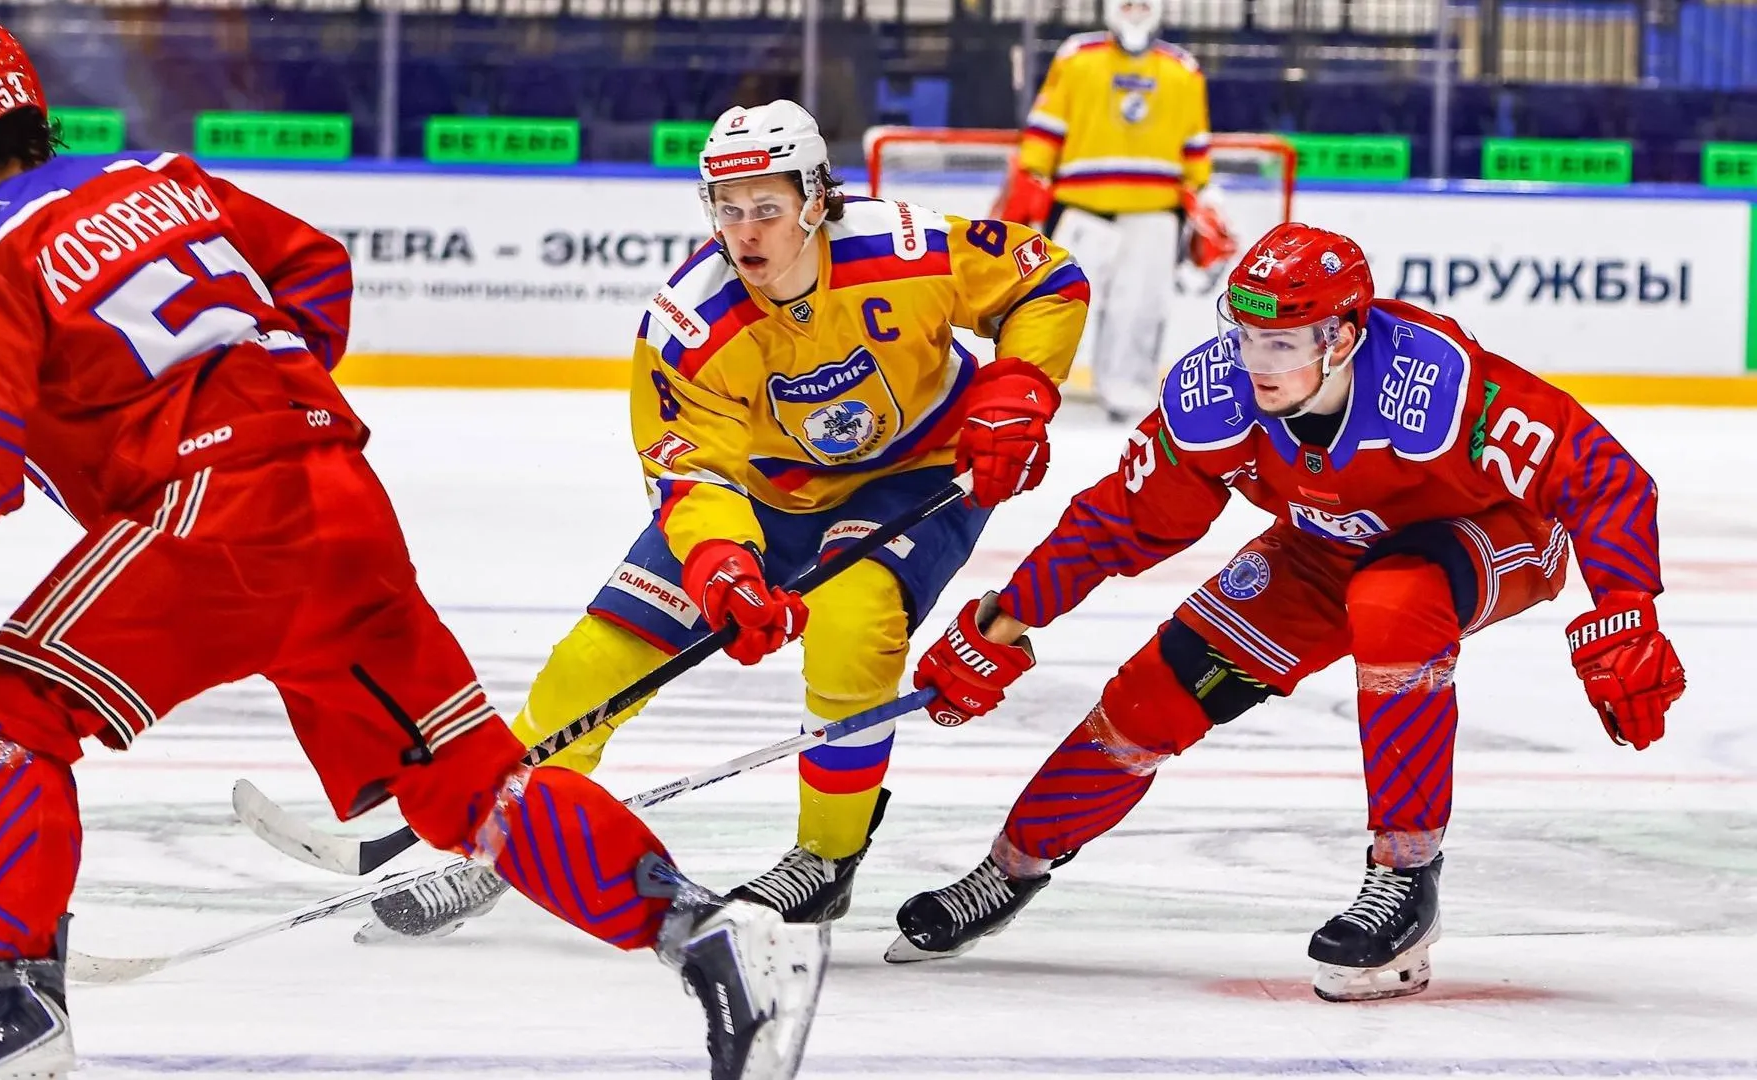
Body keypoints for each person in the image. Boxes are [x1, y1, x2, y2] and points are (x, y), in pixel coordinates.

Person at [0, 19, 825, 1080]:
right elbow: (314, 265)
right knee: (468, 783)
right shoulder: (162, 180)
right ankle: (710, 936)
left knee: (12, 713)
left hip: (210, 514)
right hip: (339, 492)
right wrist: (273, 405)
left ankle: (14, 1006)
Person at [891, 222, 1685, 1001]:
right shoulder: (1219, 396)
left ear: (1342, 338)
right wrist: (1006, 622)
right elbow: (1118, 520)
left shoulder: (1437, 384)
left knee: (1394, 600)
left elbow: (1601, 476)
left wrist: (1627, 611)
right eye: (1245, 337)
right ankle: (1010, 868)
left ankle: (1405, 878)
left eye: (1282, 343)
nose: (1255, 363)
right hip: (1324, 544)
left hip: (1495, 534)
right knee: (1157, 692)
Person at [358, 98, 1089, 941]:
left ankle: (826, 858)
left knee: (852, 622)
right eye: (728, 208)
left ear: (817, 201)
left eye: (767, 207)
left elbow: (1047, 277)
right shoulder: (689, 320)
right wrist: (723, 564)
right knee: (596, 660)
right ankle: (505, 840)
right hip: (760, 495)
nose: (746, 231)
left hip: (914, 471)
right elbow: (689, 468)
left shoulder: (906, 247)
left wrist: (1018, 390)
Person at [995, 0, 1235, 422]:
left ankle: (1128, 400)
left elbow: (1195, 150)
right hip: (1084, 210)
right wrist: (1030, 180)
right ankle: (1024, 389)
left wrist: (1205, 198)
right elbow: (1045, 132)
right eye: (1127, 3)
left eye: (1143, 4)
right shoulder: (1077, 58)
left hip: (1155, 217)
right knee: (1052, 304)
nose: (1135, 12)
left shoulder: (1183, 70)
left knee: (1139, 314)